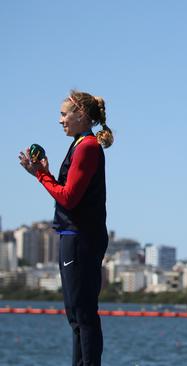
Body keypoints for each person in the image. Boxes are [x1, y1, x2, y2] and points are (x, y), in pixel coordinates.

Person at [19, 90, 113, 366]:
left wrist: (41, 175)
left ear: (81, 115)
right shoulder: (79, 143)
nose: (60, 120)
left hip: (81, 238)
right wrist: (43, 172)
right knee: (76, 315)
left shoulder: (87, 147)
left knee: (83, 315)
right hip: (74, 236)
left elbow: (69, 197)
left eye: (64, 114)